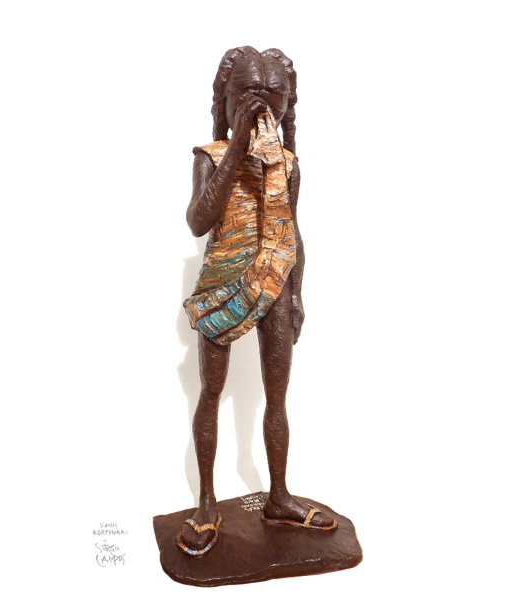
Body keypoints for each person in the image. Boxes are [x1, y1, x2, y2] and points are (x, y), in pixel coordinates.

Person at [177, 47, 336, 557]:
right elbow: (199, 221)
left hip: (277, 283)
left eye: (272, 97)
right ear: (224, 102)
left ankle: (278, 496)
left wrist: (297, 292)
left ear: (287, 106)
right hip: (221, 285)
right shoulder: (211, 156)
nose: (260, 106)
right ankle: (206, 502)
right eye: (246, 96)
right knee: (210, 392)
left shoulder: (287, 165)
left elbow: (292, 230)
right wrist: (237, 145)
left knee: (277, 396)